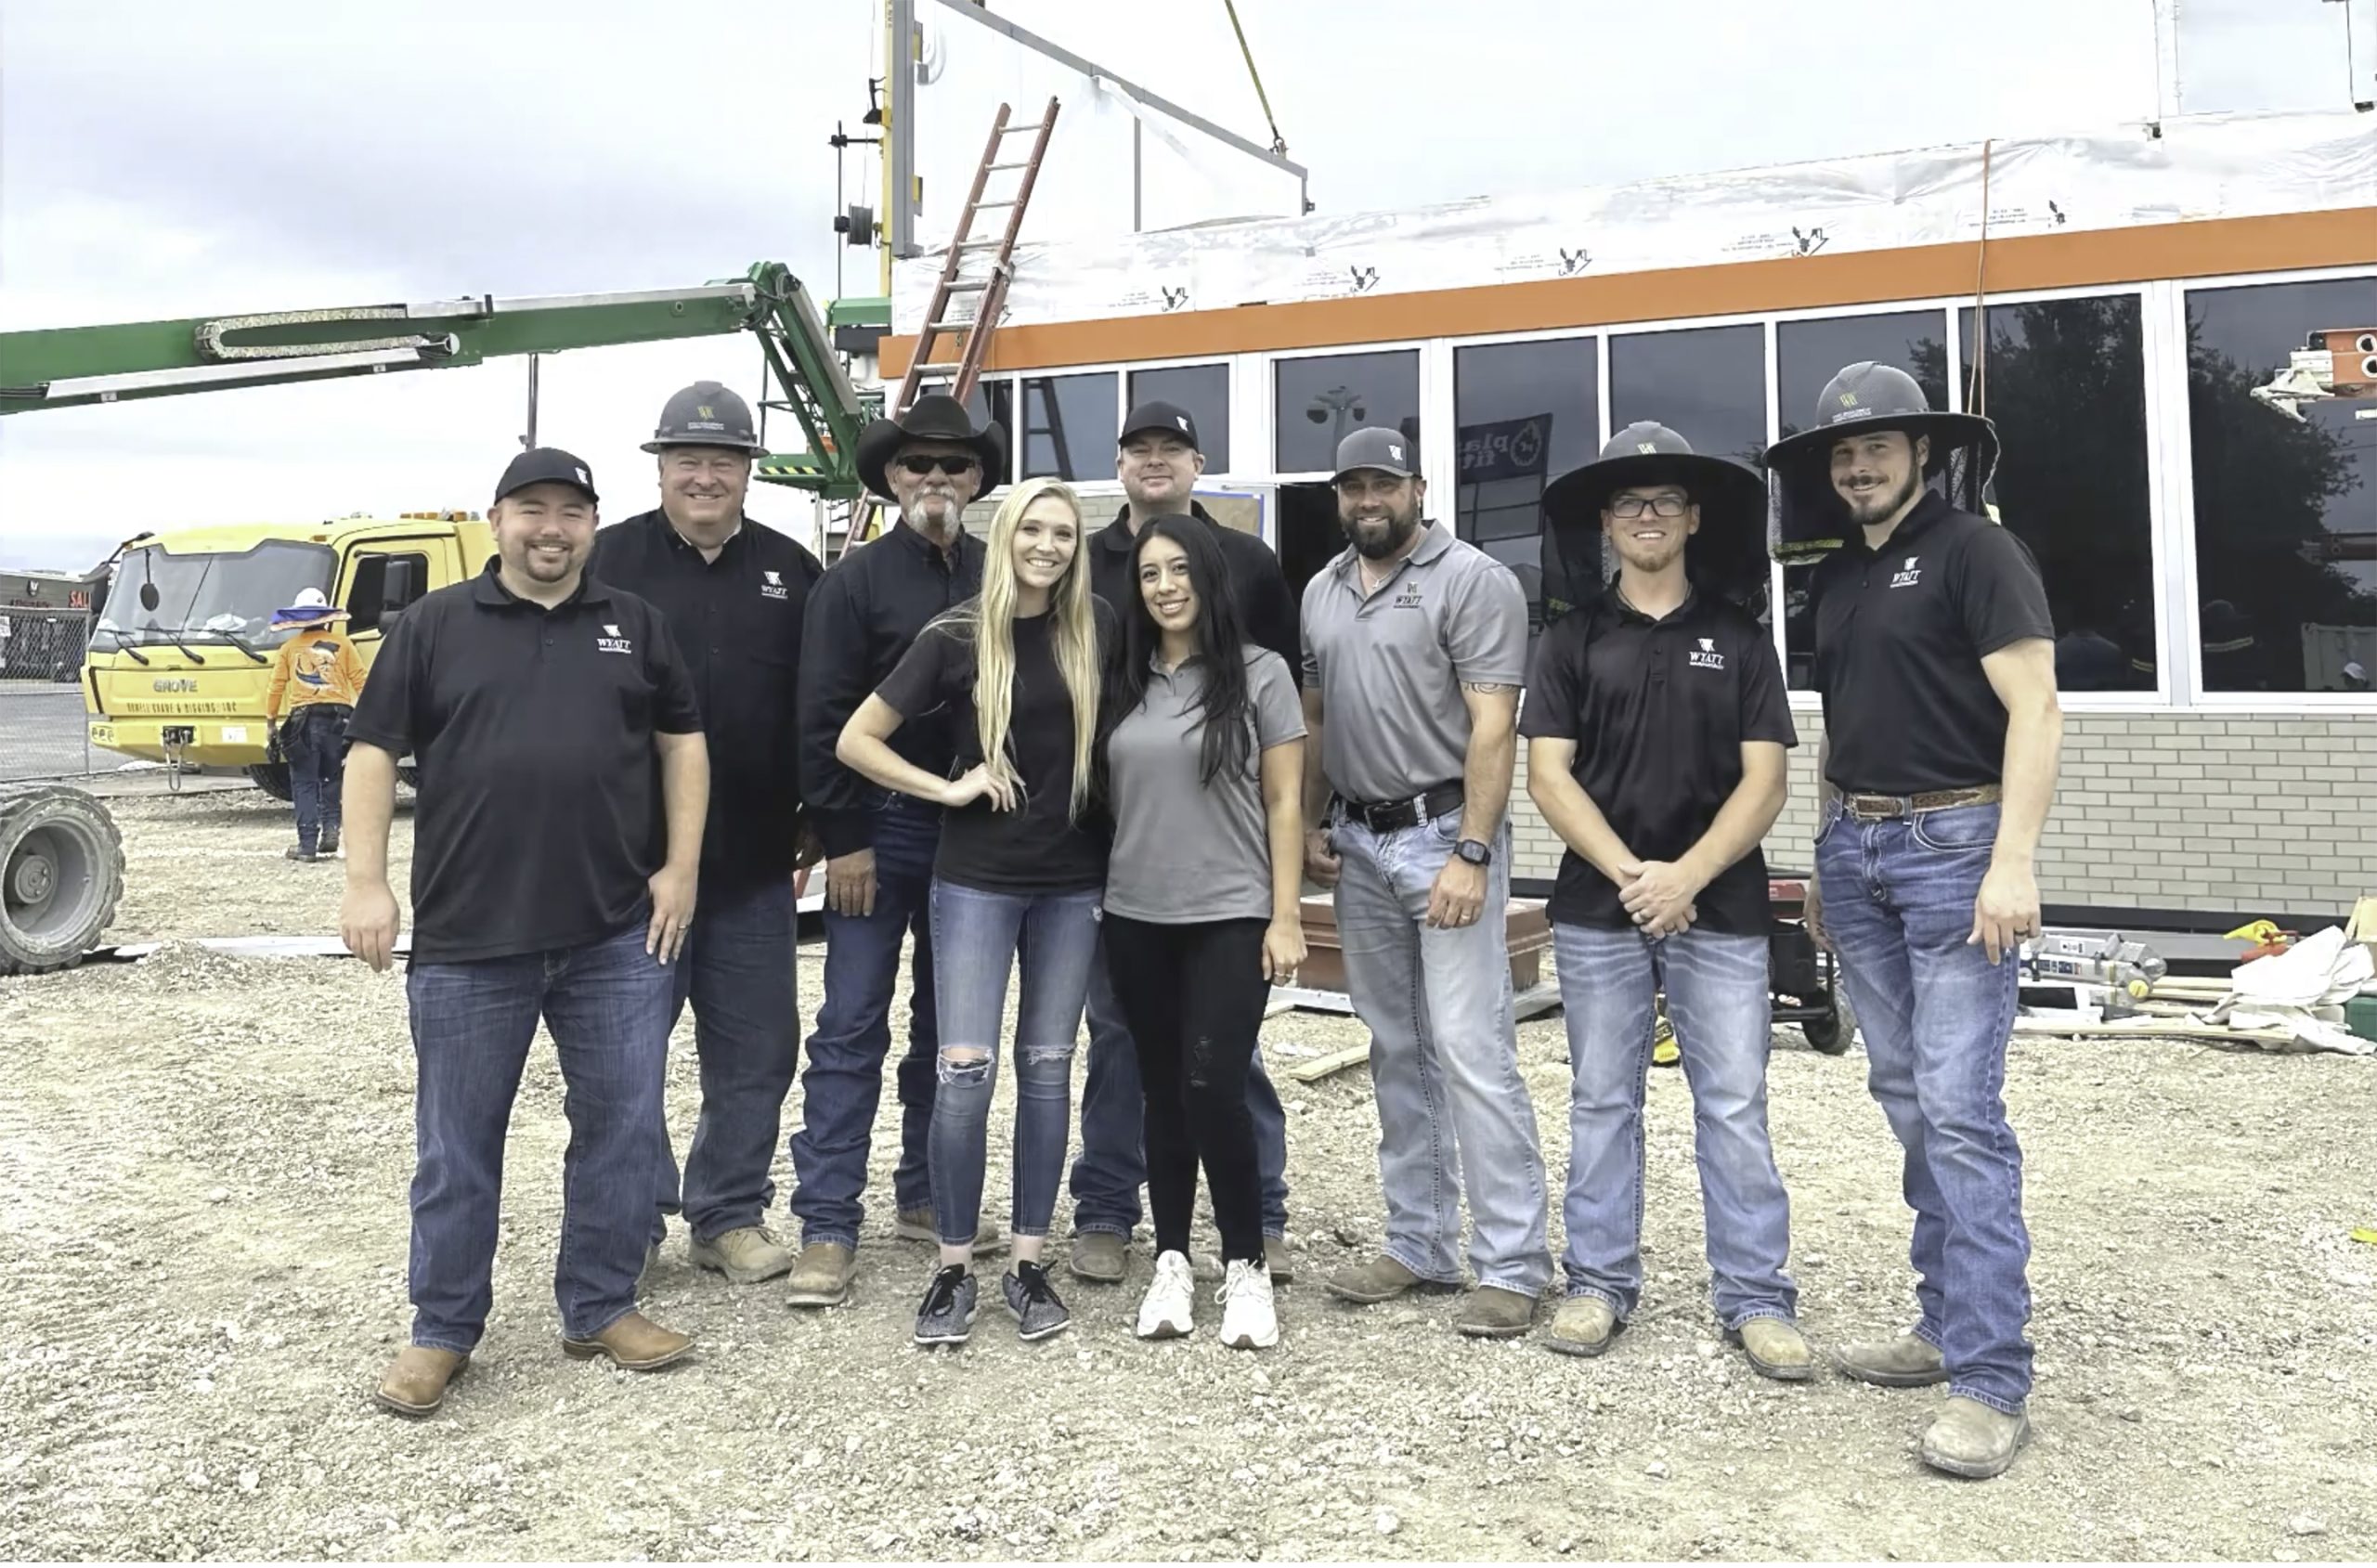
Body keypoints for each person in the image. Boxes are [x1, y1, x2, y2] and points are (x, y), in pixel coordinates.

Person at [341, 447, 708, 1418]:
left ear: (593, 525)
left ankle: (600, 1305)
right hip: (470, 941)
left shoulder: (636, 625)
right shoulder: (434, 625)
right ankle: (442, 1329)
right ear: (498, 518)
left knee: (622, 1130)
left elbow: (683, 743)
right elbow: (372, 751)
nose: (553, 529)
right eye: (533, 509)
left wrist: (680, 867)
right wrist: (366, 883)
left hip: (614, 936)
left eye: (572, 512)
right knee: (457, 1146)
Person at [1765, 360, 2063, 1479]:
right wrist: (1826, 857)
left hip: (1957, 850)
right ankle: (1942, 1324)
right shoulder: (1838, 575)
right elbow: (1843, 721)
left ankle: (1990, 1377)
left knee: (1959, 1110)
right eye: (1843, 453)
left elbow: (2035, 707)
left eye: (1878, 447)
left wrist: (2011, 861)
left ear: (1922, 454)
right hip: (1859, 849)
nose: (1858, 466)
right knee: (1905, 1098)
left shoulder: (1978, 552)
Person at [1522, 422, 1810, 1377]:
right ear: (1606, 525)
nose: (1647, 517)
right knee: (1603, 1100)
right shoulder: (1569, 639)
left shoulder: (1741, 640)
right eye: (1628, 504)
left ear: (1691, 521)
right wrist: (1634, 878)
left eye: (1665, 503)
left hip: (1718, 909)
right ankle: (1597, 1283)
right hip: (1597, 908)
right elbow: (1549, 777)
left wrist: (1685, 875)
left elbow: (1765, 781)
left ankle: (1756, 1297)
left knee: (1732, 1104)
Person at [836, 476, 1111, 1346]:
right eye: (1032, 529)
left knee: (1048, 1067)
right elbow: (857, 738)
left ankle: (1028, 1262)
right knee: (963, 1070)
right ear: (1007, 535)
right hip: (977, 880)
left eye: (1063, 533)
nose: (1047, 546)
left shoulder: (1096, 628)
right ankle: (953, 1266)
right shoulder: (957, 634)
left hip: (1073, 881)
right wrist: (947, 787)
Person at [1299, 426, 1552, 1339]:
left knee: (1472, 1047)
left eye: (1383, 485)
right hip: (1359, 843)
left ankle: (1513, 1264)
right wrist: (1311, 822)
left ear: (1417, 488)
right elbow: (1316, 716)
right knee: (1395, 1047)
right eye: (1352, 487)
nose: (1368, 501)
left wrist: (1473, 853)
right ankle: (1420, 1242)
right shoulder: (1322, 589)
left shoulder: (1473, 580)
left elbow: (1494, 726)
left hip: (1443, 833)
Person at [586, 381, 825, 1289]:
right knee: (625, 1055)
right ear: (660, 467)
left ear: (748, 472)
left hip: (754, 865)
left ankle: (726, 1214)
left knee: (758, 1048)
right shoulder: (607, 564)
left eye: (722, 461)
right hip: (630, 867)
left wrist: (819, 812)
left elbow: (819, 704)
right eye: (687, 460)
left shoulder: (791, 571)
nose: (705, 477)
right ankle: (635, 1216)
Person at [1069, 399, 1299, 1287]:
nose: (1155, 459)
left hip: (1230, 887)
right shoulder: (1089, 572)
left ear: (1199, 463)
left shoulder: (1250, 571)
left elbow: (1281, 759)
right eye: (1139, 447)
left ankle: (1257, 1220)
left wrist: (1287, 900)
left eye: (1172, 446)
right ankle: (1112, 1213)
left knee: (1224, 1062)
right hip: (1126, 882)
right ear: (1120, 463)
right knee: (1124, 1049)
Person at [787, 394, 1002, 1307]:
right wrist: (844, 838)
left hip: (975, 834)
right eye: (918, 464)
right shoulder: (851, 584)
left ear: (976, 479)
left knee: (947, 1032)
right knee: (850, 1025)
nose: (935, 478)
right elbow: (819, 716)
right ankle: (826, 1224)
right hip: (878, 828)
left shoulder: (1003, 574)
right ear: (891, 478)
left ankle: (923, 1196)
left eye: (954, 464)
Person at [1101, 515, 1307, 1348]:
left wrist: (1286, 915)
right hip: (1135, 914)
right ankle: (1173, 1260)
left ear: (1209, 576)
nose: (1165, 586)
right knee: (1161, 1090)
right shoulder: (1124, 676)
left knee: (1214, 1084)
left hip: (1232, 911)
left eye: (1180, 569)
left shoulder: (1261, 674)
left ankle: (1246, 1264)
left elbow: (1285, 801)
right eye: (1150, 573)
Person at [263, 587, 365, 862]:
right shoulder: (343, 644)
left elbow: (275, 688)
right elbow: (361, 681)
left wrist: (271, 723)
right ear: (325, 618)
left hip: (303, 721)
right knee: (332, 775)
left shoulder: (289, 649)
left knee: (304, 781)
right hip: (339, 718)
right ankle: (331, 830)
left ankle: (307, 845)